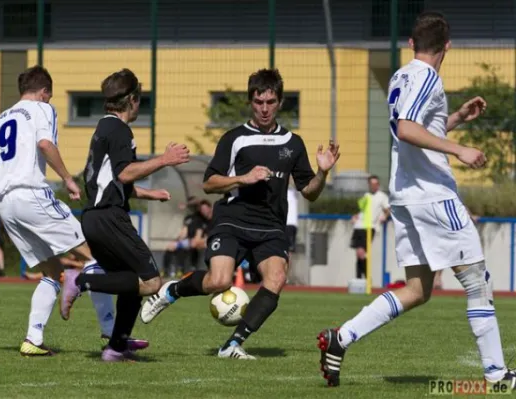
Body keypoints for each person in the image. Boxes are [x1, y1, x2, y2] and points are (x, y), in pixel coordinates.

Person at [317, 11, 516, 389]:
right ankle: (497, 375)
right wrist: (458, 149)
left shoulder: (400, 75)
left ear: (410, 43)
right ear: (448, 47)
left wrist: (455, 116)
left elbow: (411, 126)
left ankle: (340, 338)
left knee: (417, 290)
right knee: (477, 280)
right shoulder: (428, 77)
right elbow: (407, 130)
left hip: (406, 196)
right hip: (433, 195)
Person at [140, 68, 340, 359]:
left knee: (277, 277)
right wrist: (242, 178)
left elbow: (309, 191)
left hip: (271, 226)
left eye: (270, 102)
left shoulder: (293, 143)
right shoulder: (235, 139)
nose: (264, 108)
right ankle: (173, 290)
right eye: (259, 102)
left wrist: (322, 172)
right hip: (232, 220)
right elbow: (209, 182)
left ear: (280, 102)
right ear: (251, 102)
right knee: (219, 281)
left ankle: (232, 345)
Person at [0, 66, 147, 357]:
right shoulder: (41, 109)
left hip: (4, 201)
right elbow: (45, 143)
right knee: (97, 255)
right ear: (44, 92)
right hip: (30, 193)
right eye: (51, 96)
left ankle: (33, 339)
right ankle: (111, 333)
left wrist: (0, 211)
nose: (51, 100)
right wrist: (67, 178)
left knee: (51, 271)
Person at [59, 68, 190, 362]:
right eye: (140, 99)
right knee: (152, 282)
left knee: (131, 281)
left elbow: (110, 181)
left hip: (95, 217)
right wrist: (165, 160)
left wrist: (147, 194)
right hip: (109, 219)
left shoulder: (102, 129)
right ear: (131, 99)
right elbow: (124, 171)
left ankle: (116, 348)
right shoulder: (120, 130)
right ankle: (80, 281)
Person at [349, 175, 390, 279]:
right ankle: (359, 279)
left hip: (370, 227)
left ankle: (367, 279)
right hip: (359, 226)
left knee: (362, 253)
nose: (374, 186)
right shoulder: (366, 195)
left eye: (376, 184)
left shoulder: (382, 196)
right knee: (358, 254)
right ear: (369, 185)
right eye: (372, 184)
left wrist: (384, 217)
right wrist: (355, 216)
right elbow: (363, 210)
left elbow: (388, 209)